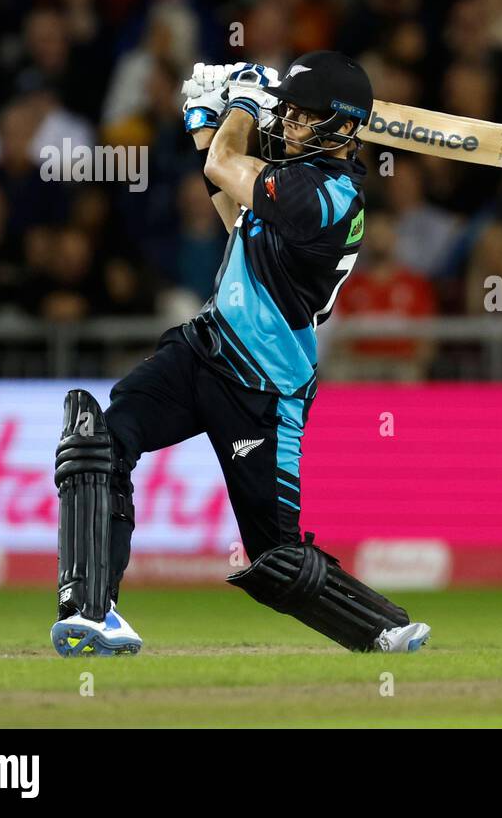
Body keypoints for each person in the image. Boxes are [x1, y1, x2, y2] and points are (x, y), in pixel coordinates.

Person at [49, 52, 431, 656]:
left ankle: (381, 627)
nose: (293, 125)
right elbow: (236, 217)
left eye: (307, 118)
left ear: (343, 128)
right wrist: (208, 124)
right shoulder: (294, 181)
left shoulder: (330, 196)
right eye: (292, 114)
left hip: (265, 383)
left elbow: (229, 163)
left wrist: (242, 108)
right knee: (98, 441)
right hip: (204, 347)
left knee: (275, 557)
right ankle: (91, 612)